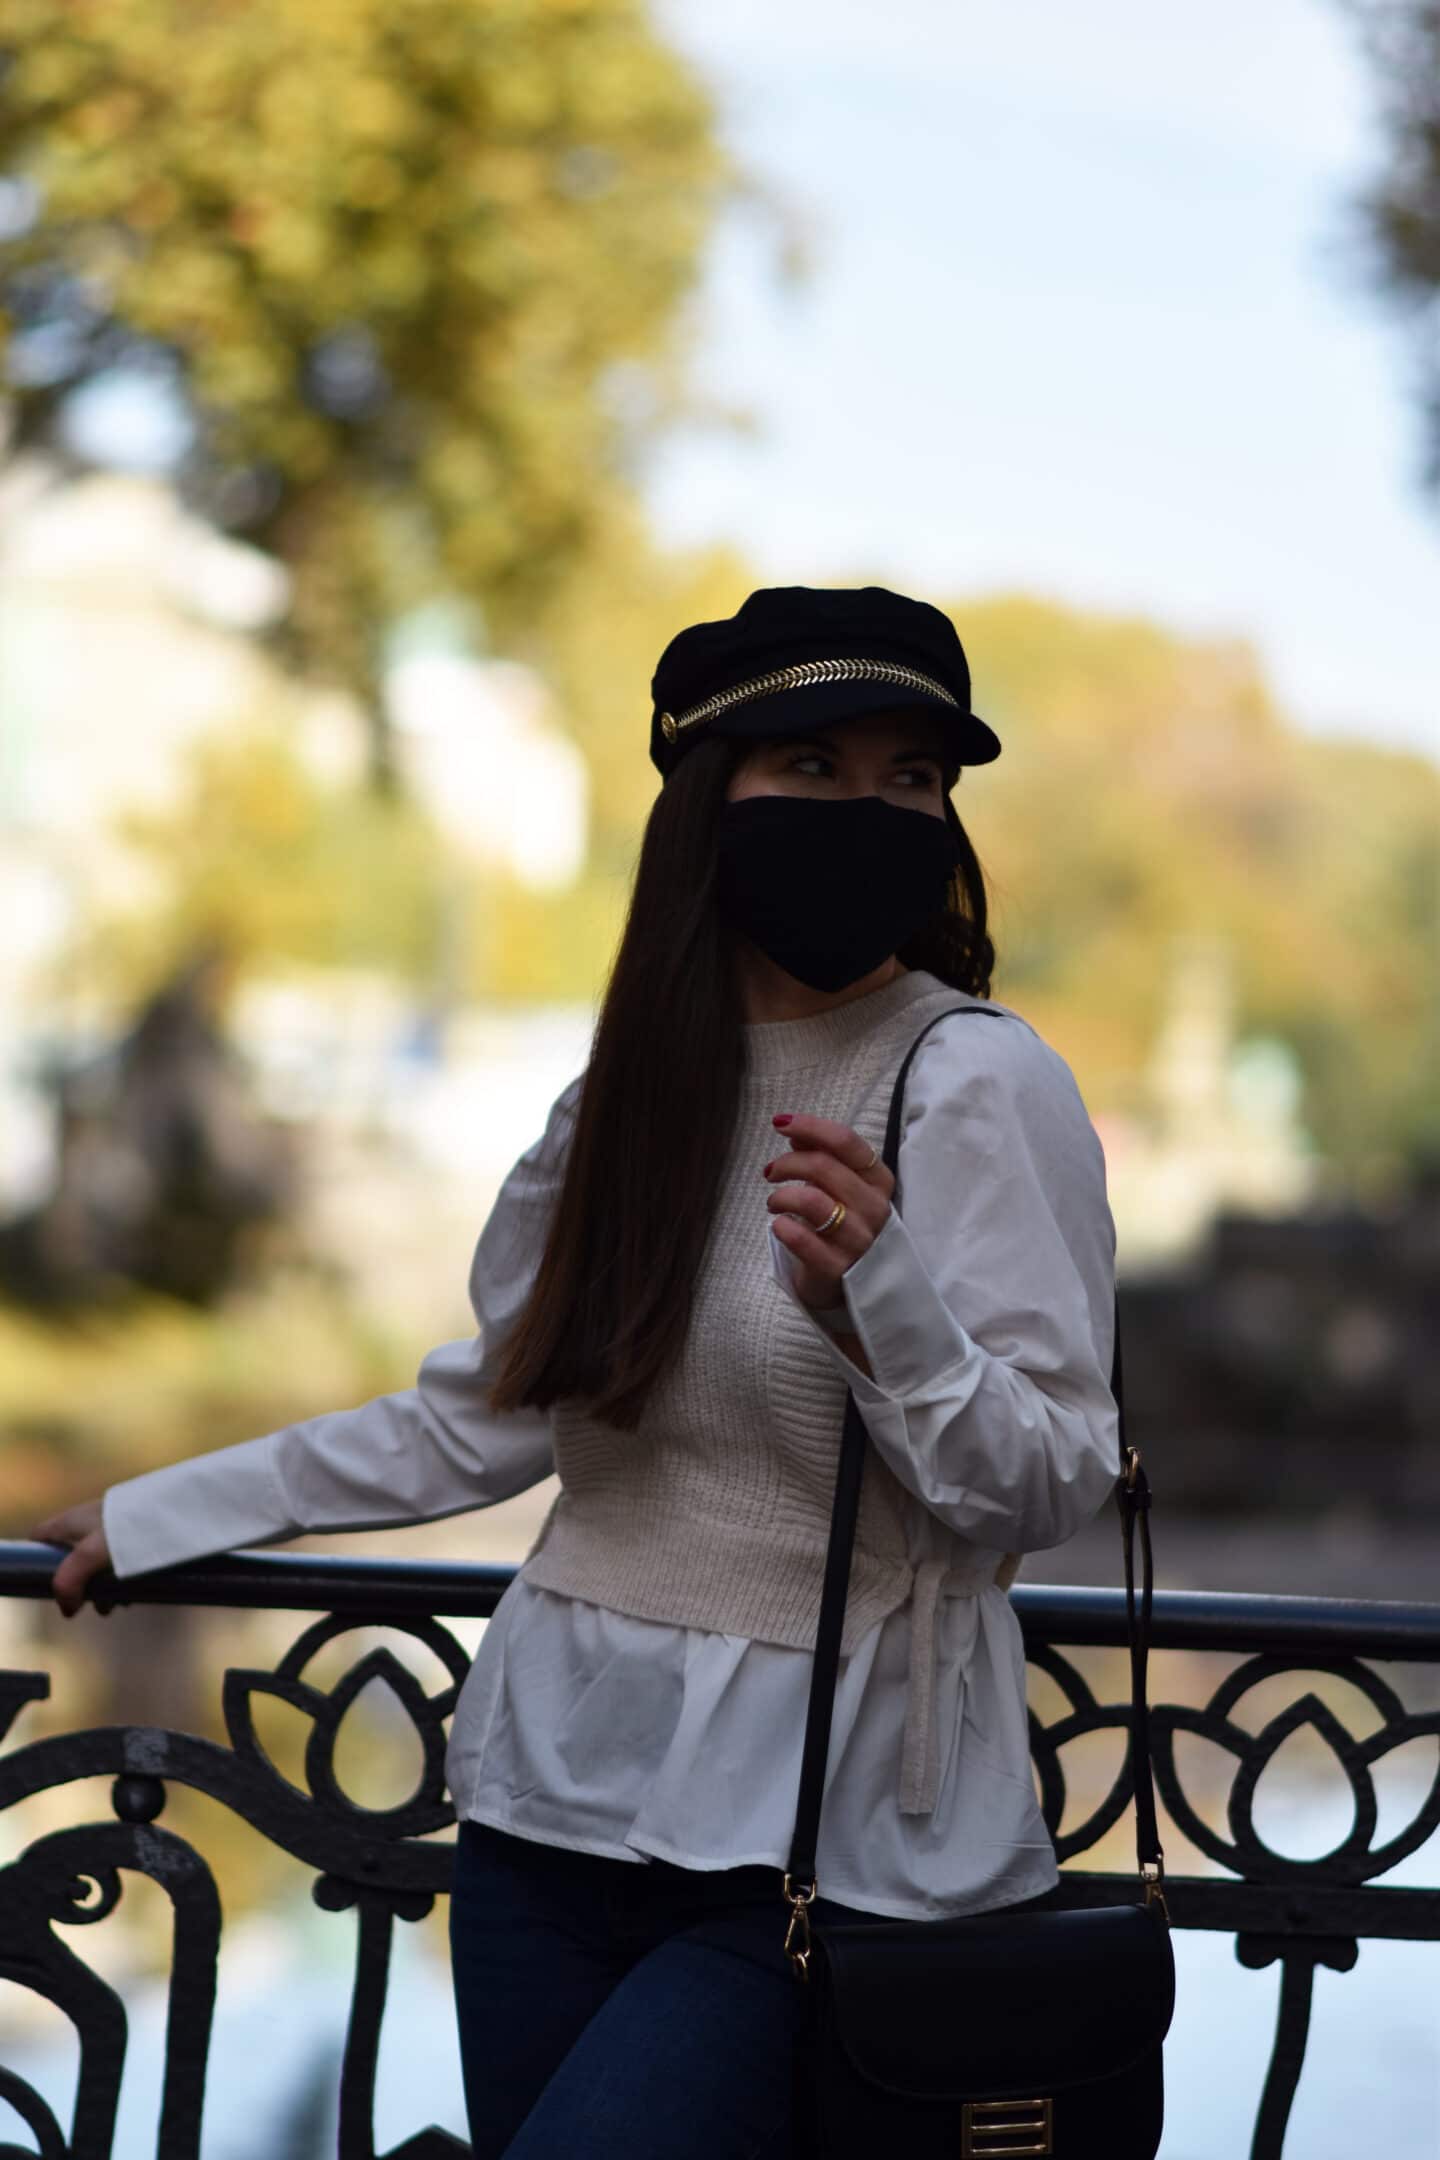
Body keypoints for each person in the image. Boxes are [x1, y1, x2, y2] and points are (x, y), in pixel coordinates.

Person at [33, 585, 1122, 2160]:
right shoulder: (628, 1085)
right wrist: (158, 1515)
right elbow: (480, 1417)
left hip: (824, 1846)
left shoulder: (973, 1081)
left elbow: (1049, 1479)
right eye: (811, 767)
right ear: (705, 802)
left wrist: (880, 1301)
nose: (870, 811)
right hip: (548, 1814)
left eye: (911, 778)